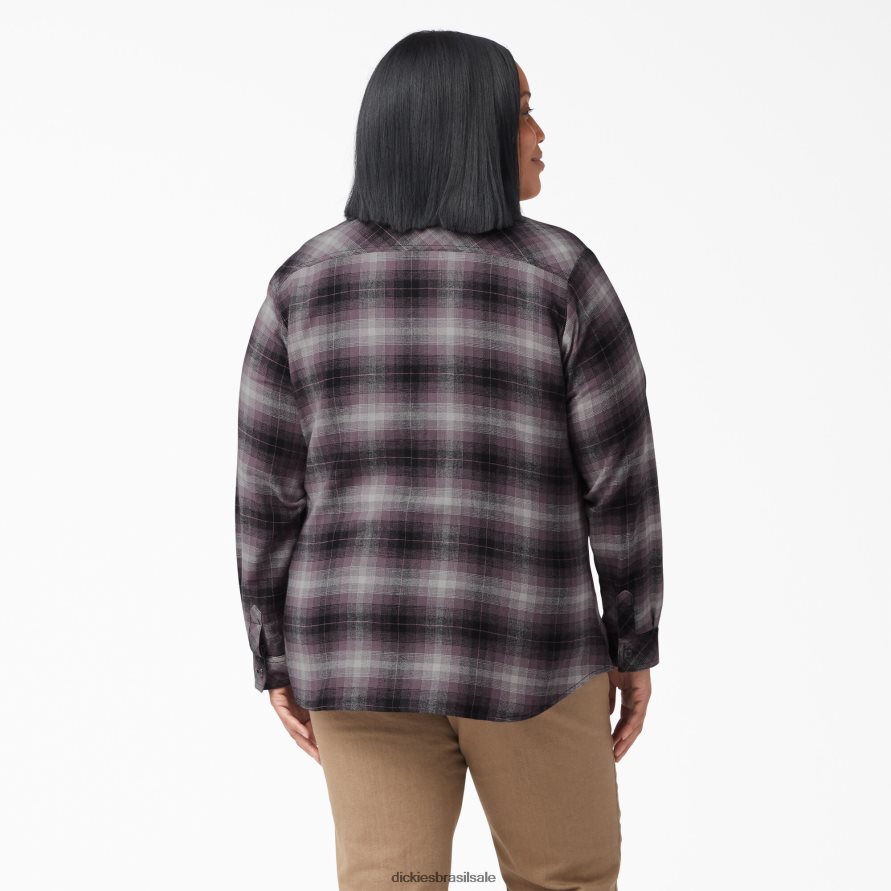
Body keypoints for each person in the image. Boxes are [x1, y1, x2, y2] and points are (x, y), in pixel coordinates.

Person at [235, 29, 663, 891]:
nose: (540, 133)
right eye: (522, 111)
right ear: (466, 127)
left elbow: (267, 492)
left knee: (386, 883)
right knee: (566, 880)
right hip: (533, 649)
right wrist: (631, 638)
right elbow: (618, 480)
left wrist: (274, 652)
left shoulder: (303, 283)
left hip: (358, 653)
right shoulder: (560, 276)